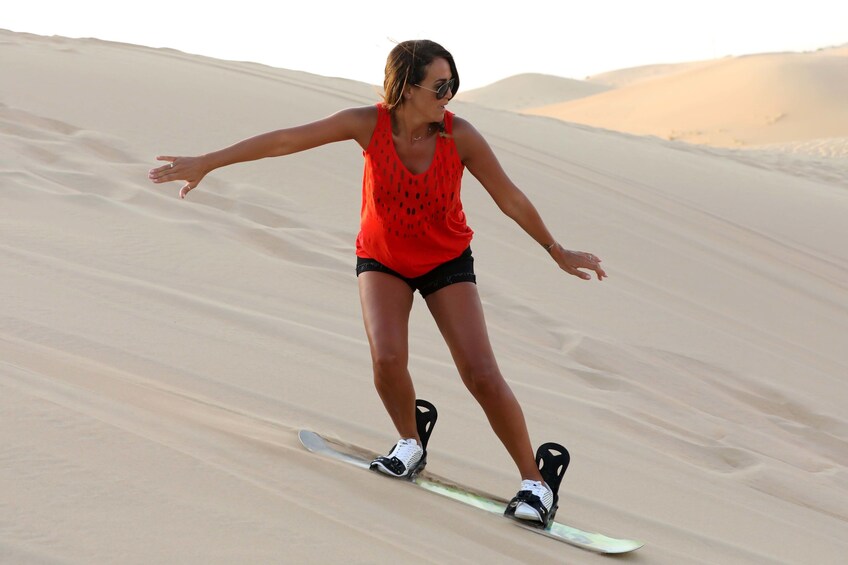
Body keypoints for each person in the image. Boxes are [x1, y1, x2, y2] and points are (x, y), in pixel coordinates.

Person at [148, 39, 606, 524]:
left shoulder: (460, 136)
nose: (449, 95)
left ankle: (535, 484)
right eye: (441, 85)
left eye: (454, 84)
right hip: (383, 259)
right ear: (406, 87)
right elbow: (285, 140)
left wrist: (556, 250)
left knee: (480, 373)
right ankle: (410, 442)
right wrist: (208, 162)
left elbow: (509, 197)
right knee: (387, 358)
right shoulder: (367, 125)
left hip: (446, 261)